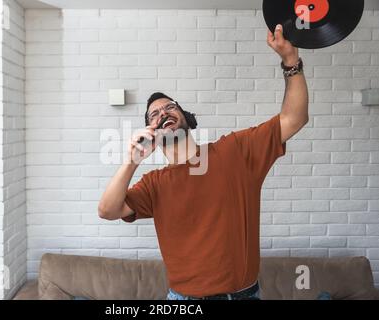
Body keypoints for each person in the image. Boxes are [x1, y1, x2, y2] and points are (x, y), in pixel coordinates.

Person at [98, 24, 309, 300]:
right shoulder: (153, 185)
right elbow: (107, 211)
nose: (163, 113)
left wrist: (291, 61)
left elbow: (294, 119)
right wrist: (131, 161)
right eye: (154, 114)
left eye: (170, 106)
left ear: (185, 116)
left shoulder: (234, 151)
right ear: (151, 132)